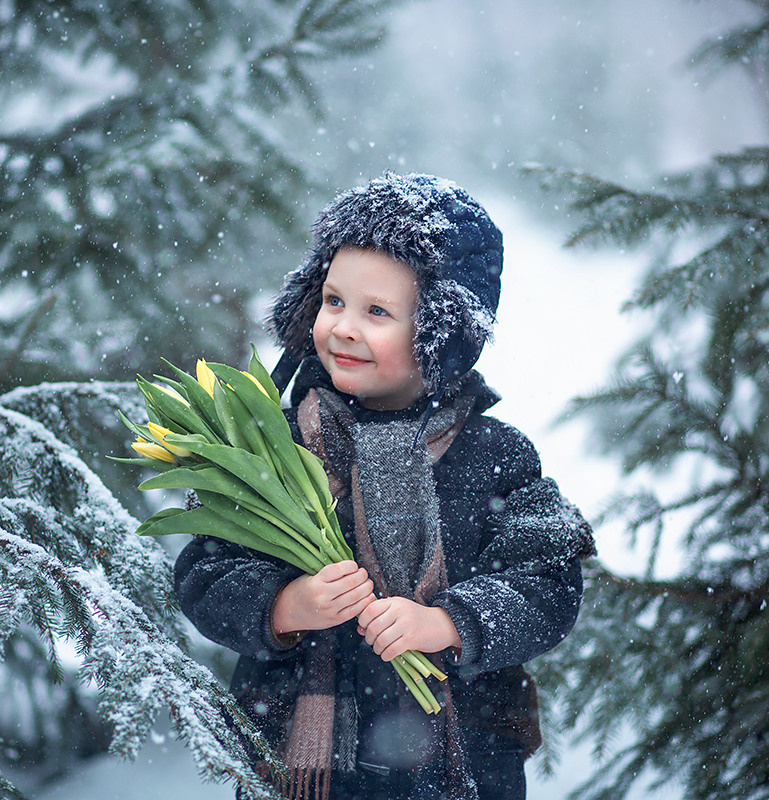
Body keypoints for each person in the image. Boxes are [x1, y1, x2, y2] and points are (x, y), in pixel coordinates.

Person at [174, 172, 596, 800]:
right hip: (298, 763)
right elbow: (204, 572)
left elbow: (548, 585)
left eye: (377, 312)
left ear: (440, 331)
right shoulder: (278, 445)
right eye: (333, 300)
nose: (343, 327)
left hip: (459, 764)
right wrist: (286, 605)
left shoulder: (494, 455)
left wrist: (449, 623)